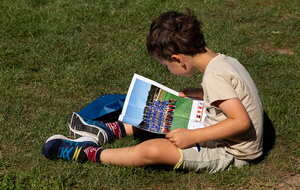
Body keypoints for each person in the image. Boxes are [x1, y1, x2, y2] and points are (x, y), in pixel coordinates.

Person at [42, 9, 263, 173]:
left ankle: (85, 153)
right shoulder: (223, 62)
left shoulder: (214, 76)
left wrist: (192, 136)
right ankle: (111, 130)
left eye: (167, 64)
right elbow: (234, 95)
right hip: (220, 129)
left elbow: (240, 121)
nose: (168, 69)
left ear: (178, 59)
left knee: (154, 151)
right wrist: (203, 94)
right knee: (167, 110)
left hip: (232, 152)